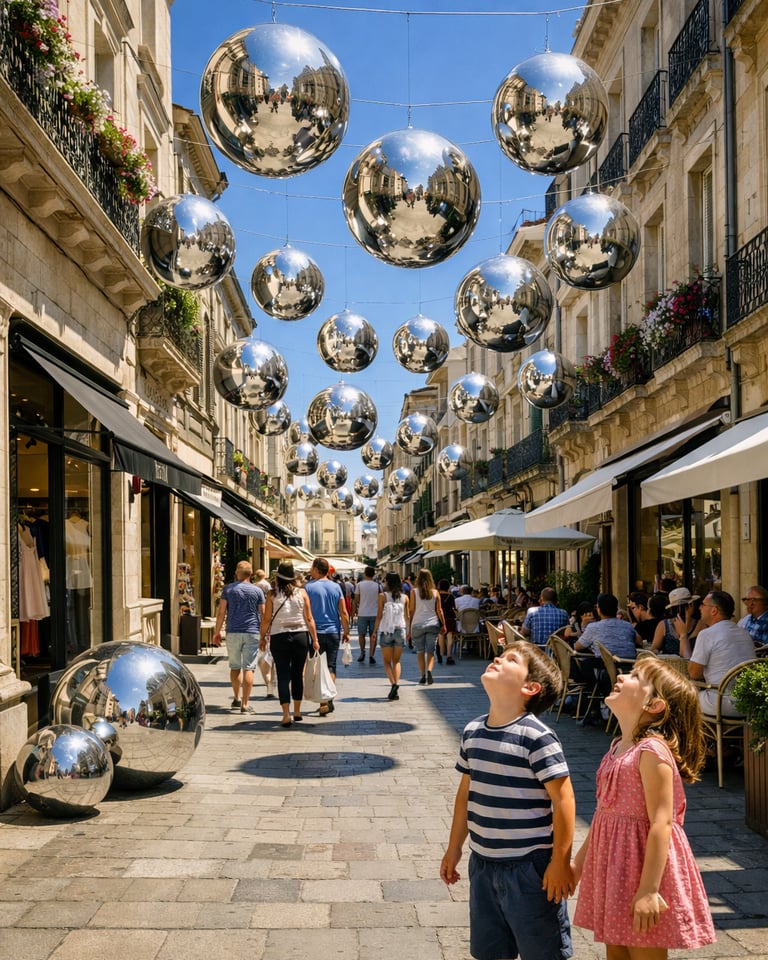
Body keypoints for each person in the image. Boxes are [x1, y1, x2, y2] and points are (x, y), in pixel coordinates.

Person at [440, 641, 576, 960]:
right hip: (483, 863)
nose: (498, 658)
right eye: (501, 655)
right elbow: (465, 796)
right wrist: (455, 846)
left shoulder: (536, 736)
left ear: (530, 687)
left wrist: (559, 862)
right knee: (491, 951)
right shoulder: (473, 731)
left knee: (542, 952)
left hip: (530, 867)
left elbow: (565, 800)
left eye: (511, 659)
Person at [572, 657, 716, 957]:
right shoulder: (617, 748)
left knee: (643, 949)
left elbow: (663, 822)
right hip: (615, 870)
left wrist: (649, 889)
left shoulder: (652, 752)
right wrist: (578, 864)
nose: (623, 675)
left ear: (655, 705)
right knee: (617, 952)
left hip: (643, 870)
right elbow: (602, 816)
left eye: (636, 675)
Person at [259, 561, 319, 727]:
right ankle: (297, 711)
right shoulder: (302, 593)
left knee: (283, 675)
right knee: (297, 674)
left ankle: (286, 714)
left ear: (278, 577)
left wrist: (262, 638)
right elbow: (309, 618)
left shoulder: (271, 594)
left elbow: (266, 619)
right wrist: (315, 639)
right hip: (300, 636)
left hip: (279, 637)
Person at [678, 590, 756, 716]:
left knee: (678, 696)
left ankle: (692, 736)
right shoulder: (744, 633)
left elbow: (694, 673)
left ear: (714, 610)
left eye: (703, 605)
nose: (699, 608)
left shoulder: (707, 634)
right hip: (747, 703)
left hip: (719, 702)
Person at [212, 560, 266, 714]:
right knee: (249, 667)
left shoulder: (228, 590)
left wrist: (217, 632)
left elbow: (221, 612)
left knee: (235, 667)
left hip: (233, 632)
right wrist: (265, 635)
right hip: (252, 632)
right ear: (251, 574)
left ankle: (236, 698)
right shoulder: (257, 591)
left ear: (237, 573)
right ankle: (245, 704)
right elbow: (263, 614)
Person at [304, 556, 350, 716]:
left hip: (314, 632)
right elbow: (343, 612)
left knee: (316, 665)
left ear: (316, 569)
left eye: (311, 568)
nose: (310, 570)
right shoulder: (336, 587)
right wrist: (347, 631)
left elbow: (305, 613)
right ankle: (328, 697)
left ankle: (324, 699)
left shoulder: (308, 588)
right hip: (332, 631)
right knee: (331, 665)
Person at [372, 571, 409, 701]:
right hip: (400, 630)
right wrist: (408, 631)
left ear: (387, 582)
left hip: (386, 631)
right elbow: (407, 616)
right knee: (397, 661)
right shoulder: (405, 597)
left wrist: (374, 632)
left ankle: (393, 684)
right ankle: (396, 684)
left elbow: (379, 616)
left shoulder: (382, 596)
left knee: (387, 661)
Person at [408, 568, 446, 686]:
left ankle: (423, 675)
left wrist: (409, 626)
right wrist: (443, 624)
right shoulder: (435, 592)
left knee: (420, 651)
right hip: (433, 623)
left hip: (418, 624)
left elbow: (411, 609)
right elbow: (439, 610)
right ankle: (429, 670)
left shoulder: (414, 592)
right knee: (431, 651)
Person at [354, 565, 381, 664]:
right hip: (374, 613)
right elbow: (380, 599)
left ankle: (362, 652)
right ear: (374, 574)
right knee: (373, 635)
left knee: (361, 635)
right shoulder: (378, 586)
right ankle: (371, 655)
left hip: (362, 612)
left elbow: (356, 599)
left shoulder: (359, 585)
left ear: (365, 574)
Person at [437, 578, 457, 665]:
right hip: (450, 617)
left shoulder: (437, 596)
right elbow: (454, 607)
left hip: (440, 617)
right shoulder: (451, 596)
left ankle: (441, 654)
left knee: (441, 635)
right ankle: (449, 655)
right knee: (450, 636)